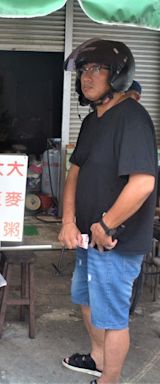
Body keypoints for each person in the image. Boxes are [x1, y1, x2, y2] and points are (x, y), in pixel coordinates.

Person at [59, 39, 157, 384]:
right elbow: (74, 173)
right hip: (88, 237)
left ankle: (110, 378)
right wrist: (69, 221)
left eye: (96, 69)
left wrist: (106, 223)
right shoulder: (93, 121)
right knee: (87, 299)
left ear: (116, 74)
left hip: (117, 241)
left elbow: (143, 183)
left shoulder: (132, 118)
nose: (87, 77)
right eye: (84, 70)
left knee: (113, 316)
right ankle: (97, 358)